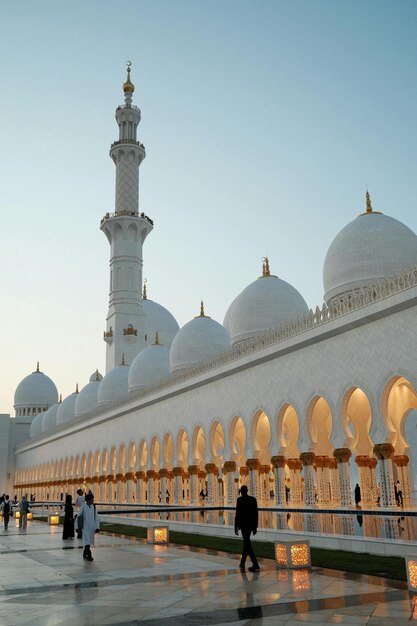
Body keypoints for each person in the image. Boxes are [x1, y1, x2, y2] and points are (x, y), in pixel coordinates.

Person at [234, 485, 260, 572]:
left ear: (241, 491)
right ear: (247, 491)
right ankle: (242, 562)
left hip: (244, 525)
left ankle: (255, 563)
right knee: (246, 542)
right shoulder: (253, 500)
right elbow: (256, 514)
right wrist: (255, 526)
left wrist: (235, 527)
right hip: (250, 525)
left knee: (247, 543)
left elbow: (237, 514)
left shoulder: (240, 500)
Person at [78, 492, 100, 561]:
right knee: (87, 542)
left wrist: (97, 527)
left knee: (89, 542)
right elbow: (79, 517)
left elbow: (96, 518)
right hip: (85, 527)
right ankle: (89, 555)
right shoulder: (83, 507)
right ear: (88, 500)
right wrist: (77, 527)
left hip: (92, 527)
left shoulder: (93, 507)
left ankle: (85, 553)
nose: (93, 500)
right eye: (92, 499)